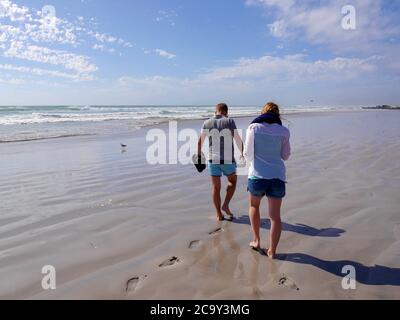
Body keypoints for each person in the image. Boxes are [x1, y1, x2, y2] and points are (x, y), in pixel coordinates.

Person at [244, 102, 291, 259]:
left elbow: (248, 153)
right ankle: (272, 250)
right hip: (277, 176)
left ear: (263, 112)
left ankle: (256, 241)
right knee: (275, 216)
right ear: (278, 114)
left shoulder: (254, 128)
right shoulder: (284, 131)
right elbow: (285, 155)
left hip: (257, 175)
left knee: (254, 206)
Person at [198, 103, 244, 221]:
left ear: (215, 111)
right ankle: (225, 205)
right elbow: (238, 139)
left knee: (215, 187)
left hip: (212, 160)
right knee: (232, 181)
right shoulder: (229, 121)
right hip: (227, 160)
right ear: (226, 112)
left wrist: (199, 156)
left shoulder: (206, 122)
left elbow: (199, 142)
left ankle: (219, 214)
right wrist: (243, 153)